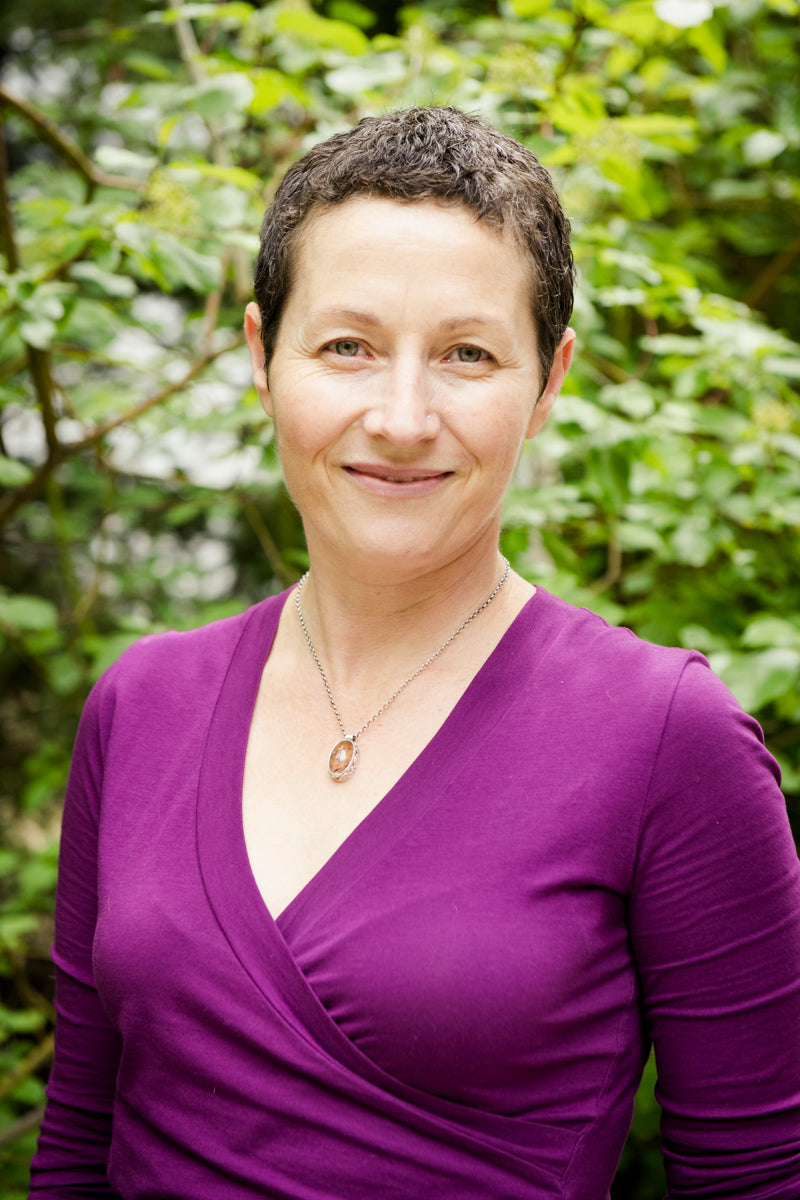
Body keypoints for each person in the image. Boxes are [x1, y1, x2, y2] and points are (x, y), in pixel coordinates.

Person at [29, 107, 800, 1200]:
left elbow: (756, 1178)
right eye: (346, 346)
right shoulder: (143, 701)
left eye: (465, 354)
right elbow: (77, 1146)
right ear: (261, 355)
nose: (399, 417)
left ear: (547, 381)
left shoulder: (665, 736)